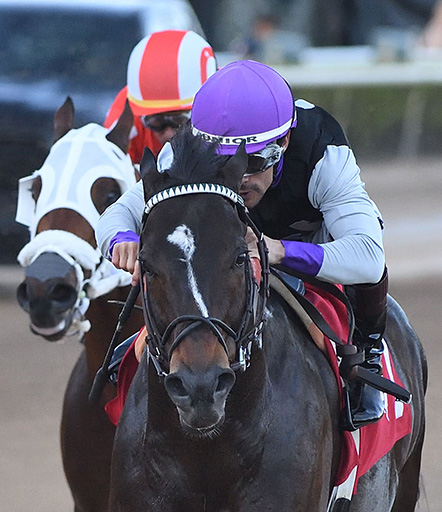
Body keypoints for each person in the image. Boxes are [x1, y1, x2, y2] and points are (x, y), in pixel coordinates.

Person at [96, 59, 391, 428]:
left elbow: (367, 257)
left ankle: (368, 348)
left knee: (369, 278)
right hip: (227, 254)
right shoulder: (187, 149)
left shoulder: (323, 151)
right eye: (226, 164)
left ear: (284, 141)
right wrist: (123, 240)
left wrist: (276, 250)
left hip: (309, 249)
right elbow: (116, 215)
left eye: (256, 160)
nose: (243, 177)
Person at [102, 28, 216, 167]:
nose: (168, 134)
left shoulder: (234, 104)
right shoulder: (128, 109)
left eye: (180, 120)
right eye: (155, 122)